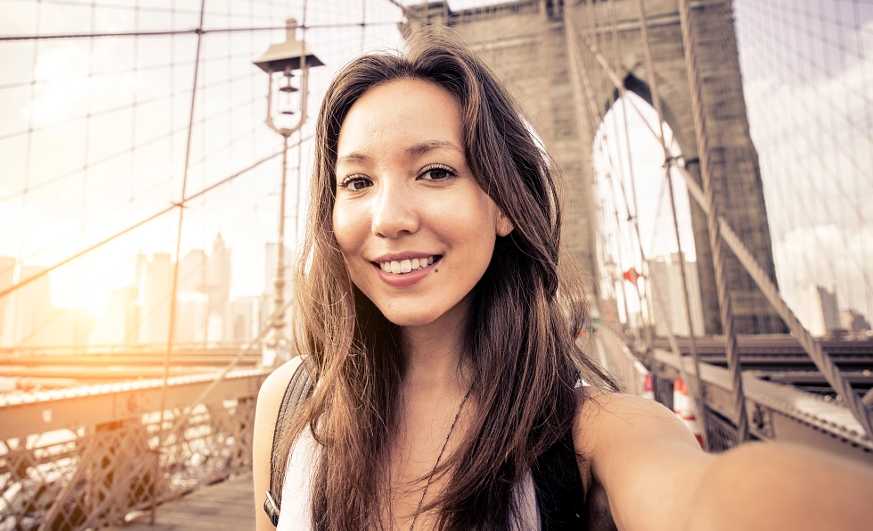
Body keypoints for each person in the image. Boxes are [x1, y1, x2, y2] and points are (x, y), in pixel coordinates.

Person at [252, 28, 873, 530]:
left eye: (435, 172)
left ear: (503, 203)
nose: (387, 219)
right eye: (357, 182)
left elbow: (704, 496)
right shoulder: (286, 410)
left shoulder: (596, 433)